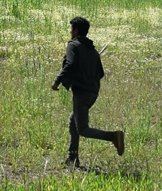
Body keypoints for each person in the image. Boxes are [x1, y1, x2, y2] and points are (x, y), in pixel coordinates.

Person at [51, 16, 125, 167]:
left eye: (71, 29)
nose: (70, 32)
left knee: (83, 129)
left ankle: (113, 137)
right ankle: (72, 158)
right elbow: (101, 73)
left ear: (76, 31)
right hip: (93, 92)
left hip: (81, 93)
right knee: (73, 121)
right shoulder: (92, 50)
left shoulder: (74, 45)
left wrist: (57, 80)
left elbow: (70, 64)